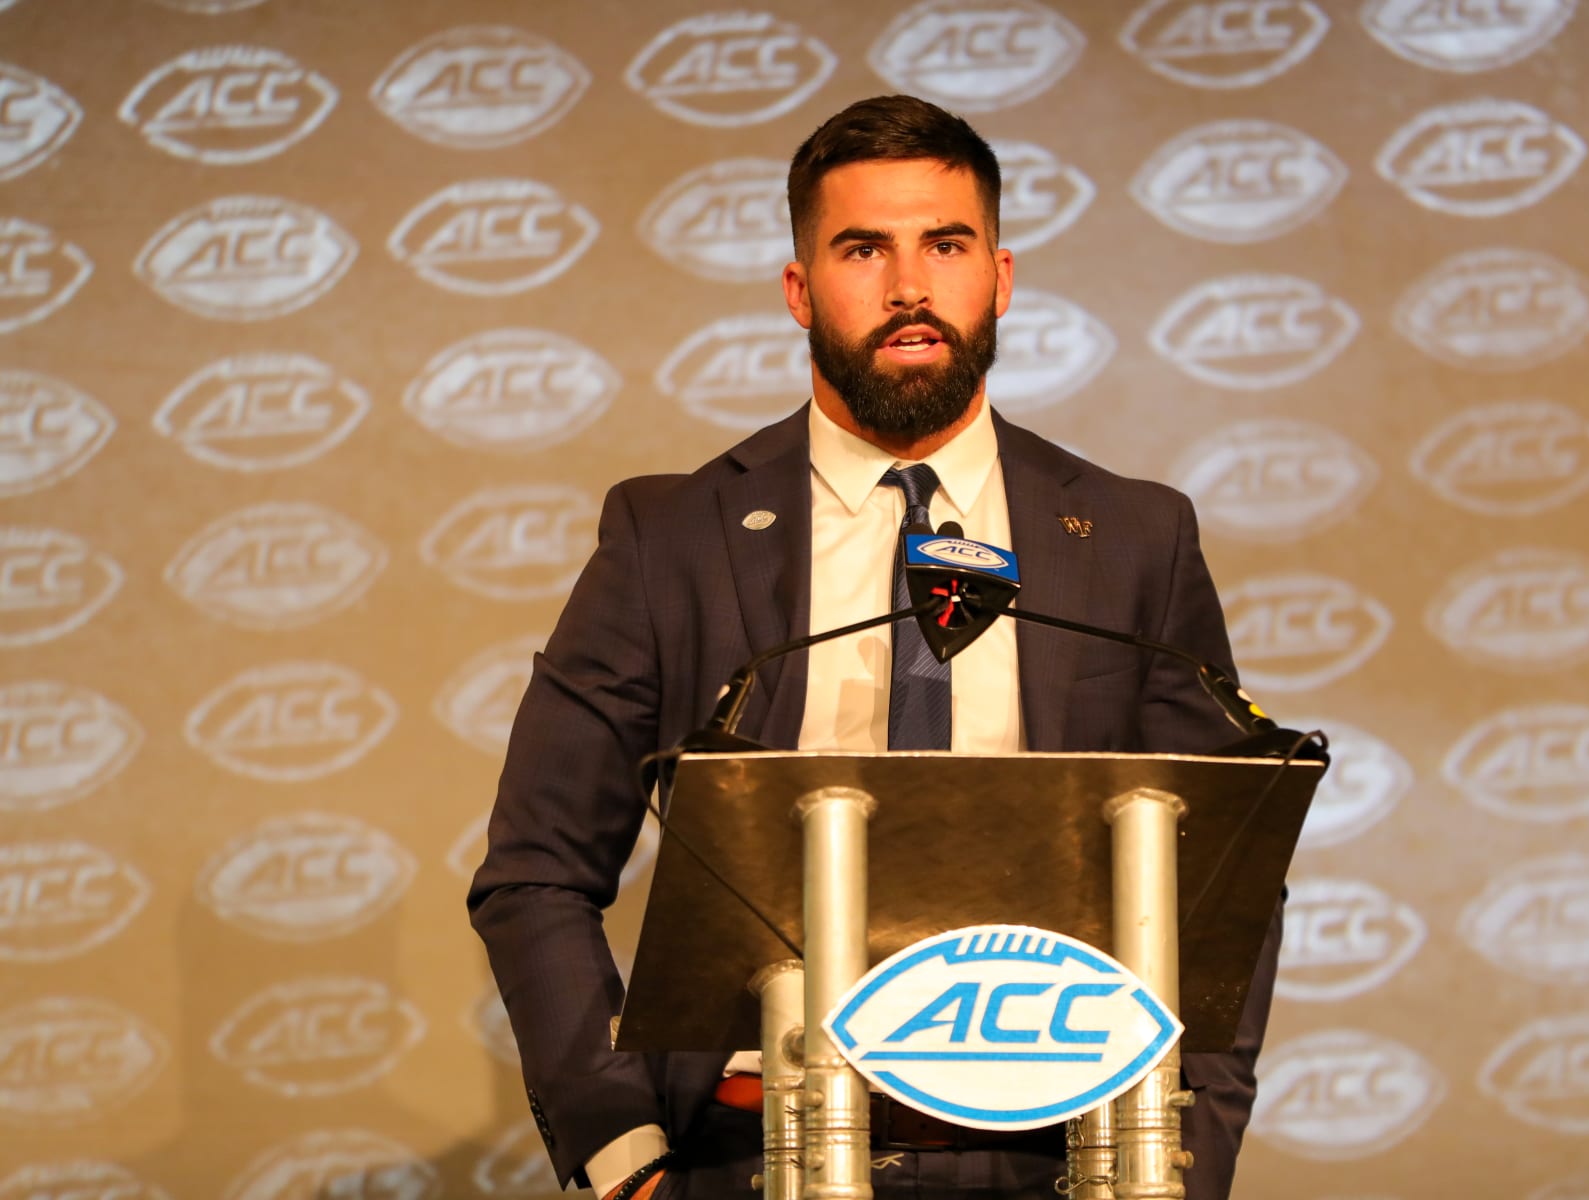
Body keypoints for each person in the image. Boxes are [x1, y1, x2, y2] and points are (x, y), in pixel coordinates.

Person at [469, 94, 1281, 1200]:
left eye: (944, 246)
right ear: (801, 289)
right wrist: (624, 1154)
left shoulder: (1135, 537)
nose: (910, 288)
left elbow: (1228, 877)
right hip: (750, 1154)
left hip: (1061, 1160)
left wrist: (1186, 1162)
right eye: (865, 249)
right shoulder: (672, 537)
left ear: (999, 277)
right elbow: (536, 869)